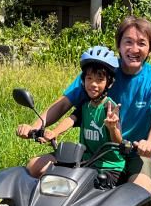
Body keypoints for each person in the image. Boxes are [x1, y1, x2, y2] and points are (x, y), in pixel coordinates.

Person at [16, 16, 151, 197]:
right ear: (119, 45)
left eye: (141, 43)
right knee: (34, 167)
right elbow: (63, 105)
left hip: (134, 154)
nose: (134, 49)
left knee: (140, 198)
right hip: (93, 152)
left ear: (150, 48)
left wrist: (150, 145)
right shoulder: (100, 70)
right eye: (128, 42)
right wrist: (35, 127)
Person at [25, 46, 125, 184]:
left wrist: (112, 127)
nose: (93, 84)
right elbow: (71, 119)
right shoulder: (85, 105)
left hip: (109, 167)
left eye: (100, 80)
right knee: (39, 169)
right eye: (89, 78)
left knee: (86, 188)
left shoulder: (109, 107)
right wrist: (54, 132)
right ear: (83, 81)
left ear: (109, 83)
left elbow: (118, 142)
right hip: (86, 161)